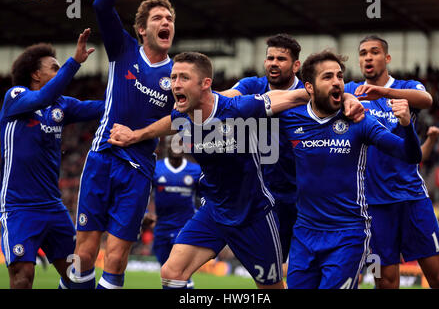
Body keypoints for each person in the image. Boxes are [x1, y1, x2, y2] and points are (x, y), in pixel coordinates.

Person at [107, 51, 364, 289]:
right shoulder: (184, 115)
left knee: (271, 287)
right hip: (214, 212)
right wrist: (136, 135)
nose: (175, 84)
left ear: (205, 83)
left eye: (183, 78)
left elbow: (293, 96)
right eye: (173, 77)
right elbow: (168, 124)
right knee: (172, 272)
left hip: (254, 216)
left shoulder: (238, 109)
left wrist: (348, 96)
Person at [277, 49, 423, 289]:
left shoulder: (359, 120)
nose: (336, 82)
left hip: (348, 233)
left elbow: (410, 155)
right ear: (309, 87)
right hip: (304, 234)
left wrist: (406, 125)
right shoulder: (291, 119)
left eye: (339, 76)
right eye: (327, 77)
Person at [69, 0, 176, 289]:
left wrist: (137, 136)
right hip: (102, 158)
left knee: (115, 260)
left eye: (169, 18)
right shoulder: (123, 49)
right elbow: (102, 3)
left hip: (138, 171)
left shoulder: (177, 74)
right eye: (157, 18)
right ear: (142, 29)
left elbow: (182, 119)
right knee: (85, 254)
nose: (165, 21)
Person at [0, 29, 103, 289]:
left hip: (53, 208)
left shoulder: (62, 105)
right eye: (54, 68)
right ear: (36, 74)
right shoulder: (15, 97)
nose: (60, 72)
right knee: (23, 277)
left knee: (79, 275)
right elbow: (42, 97)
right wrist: (74, 63)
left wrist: (134, 98)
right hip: (19, 208)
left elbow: (104, 108)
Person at [345, 35, 439, 289]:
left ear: (387, 58)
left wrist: (384, 92)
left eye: (375, 52)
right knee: (386, 282)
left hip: (412, 197)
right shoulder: (351, 91)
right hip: (373, 206)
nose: (368, 57)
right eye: (363, 53)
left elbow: (427, 101)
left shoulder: (406, 87)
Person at [220, 33, 303, 271]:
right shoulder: (251, 86)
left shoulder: (307, 96)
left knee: (301, 269)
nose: (273, 63)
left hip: (300, 196)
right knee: (268, 270)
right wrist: (202, 100)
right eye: (270, 58)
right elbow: (224, 100)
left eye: (281, 59)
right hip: (260, 195)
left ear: (296, 65)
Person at [149, 143, 202, 288]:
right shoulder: (156, 168)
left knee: (177, 273)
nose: (176, 145)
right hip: (161, 228)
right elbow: (143, 194)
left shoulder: (195, 170)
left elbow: (205, 197)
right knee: (167, 274)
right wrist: (147, 214)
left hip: (184, 228)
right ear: (167, 146)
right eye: (172, 142)